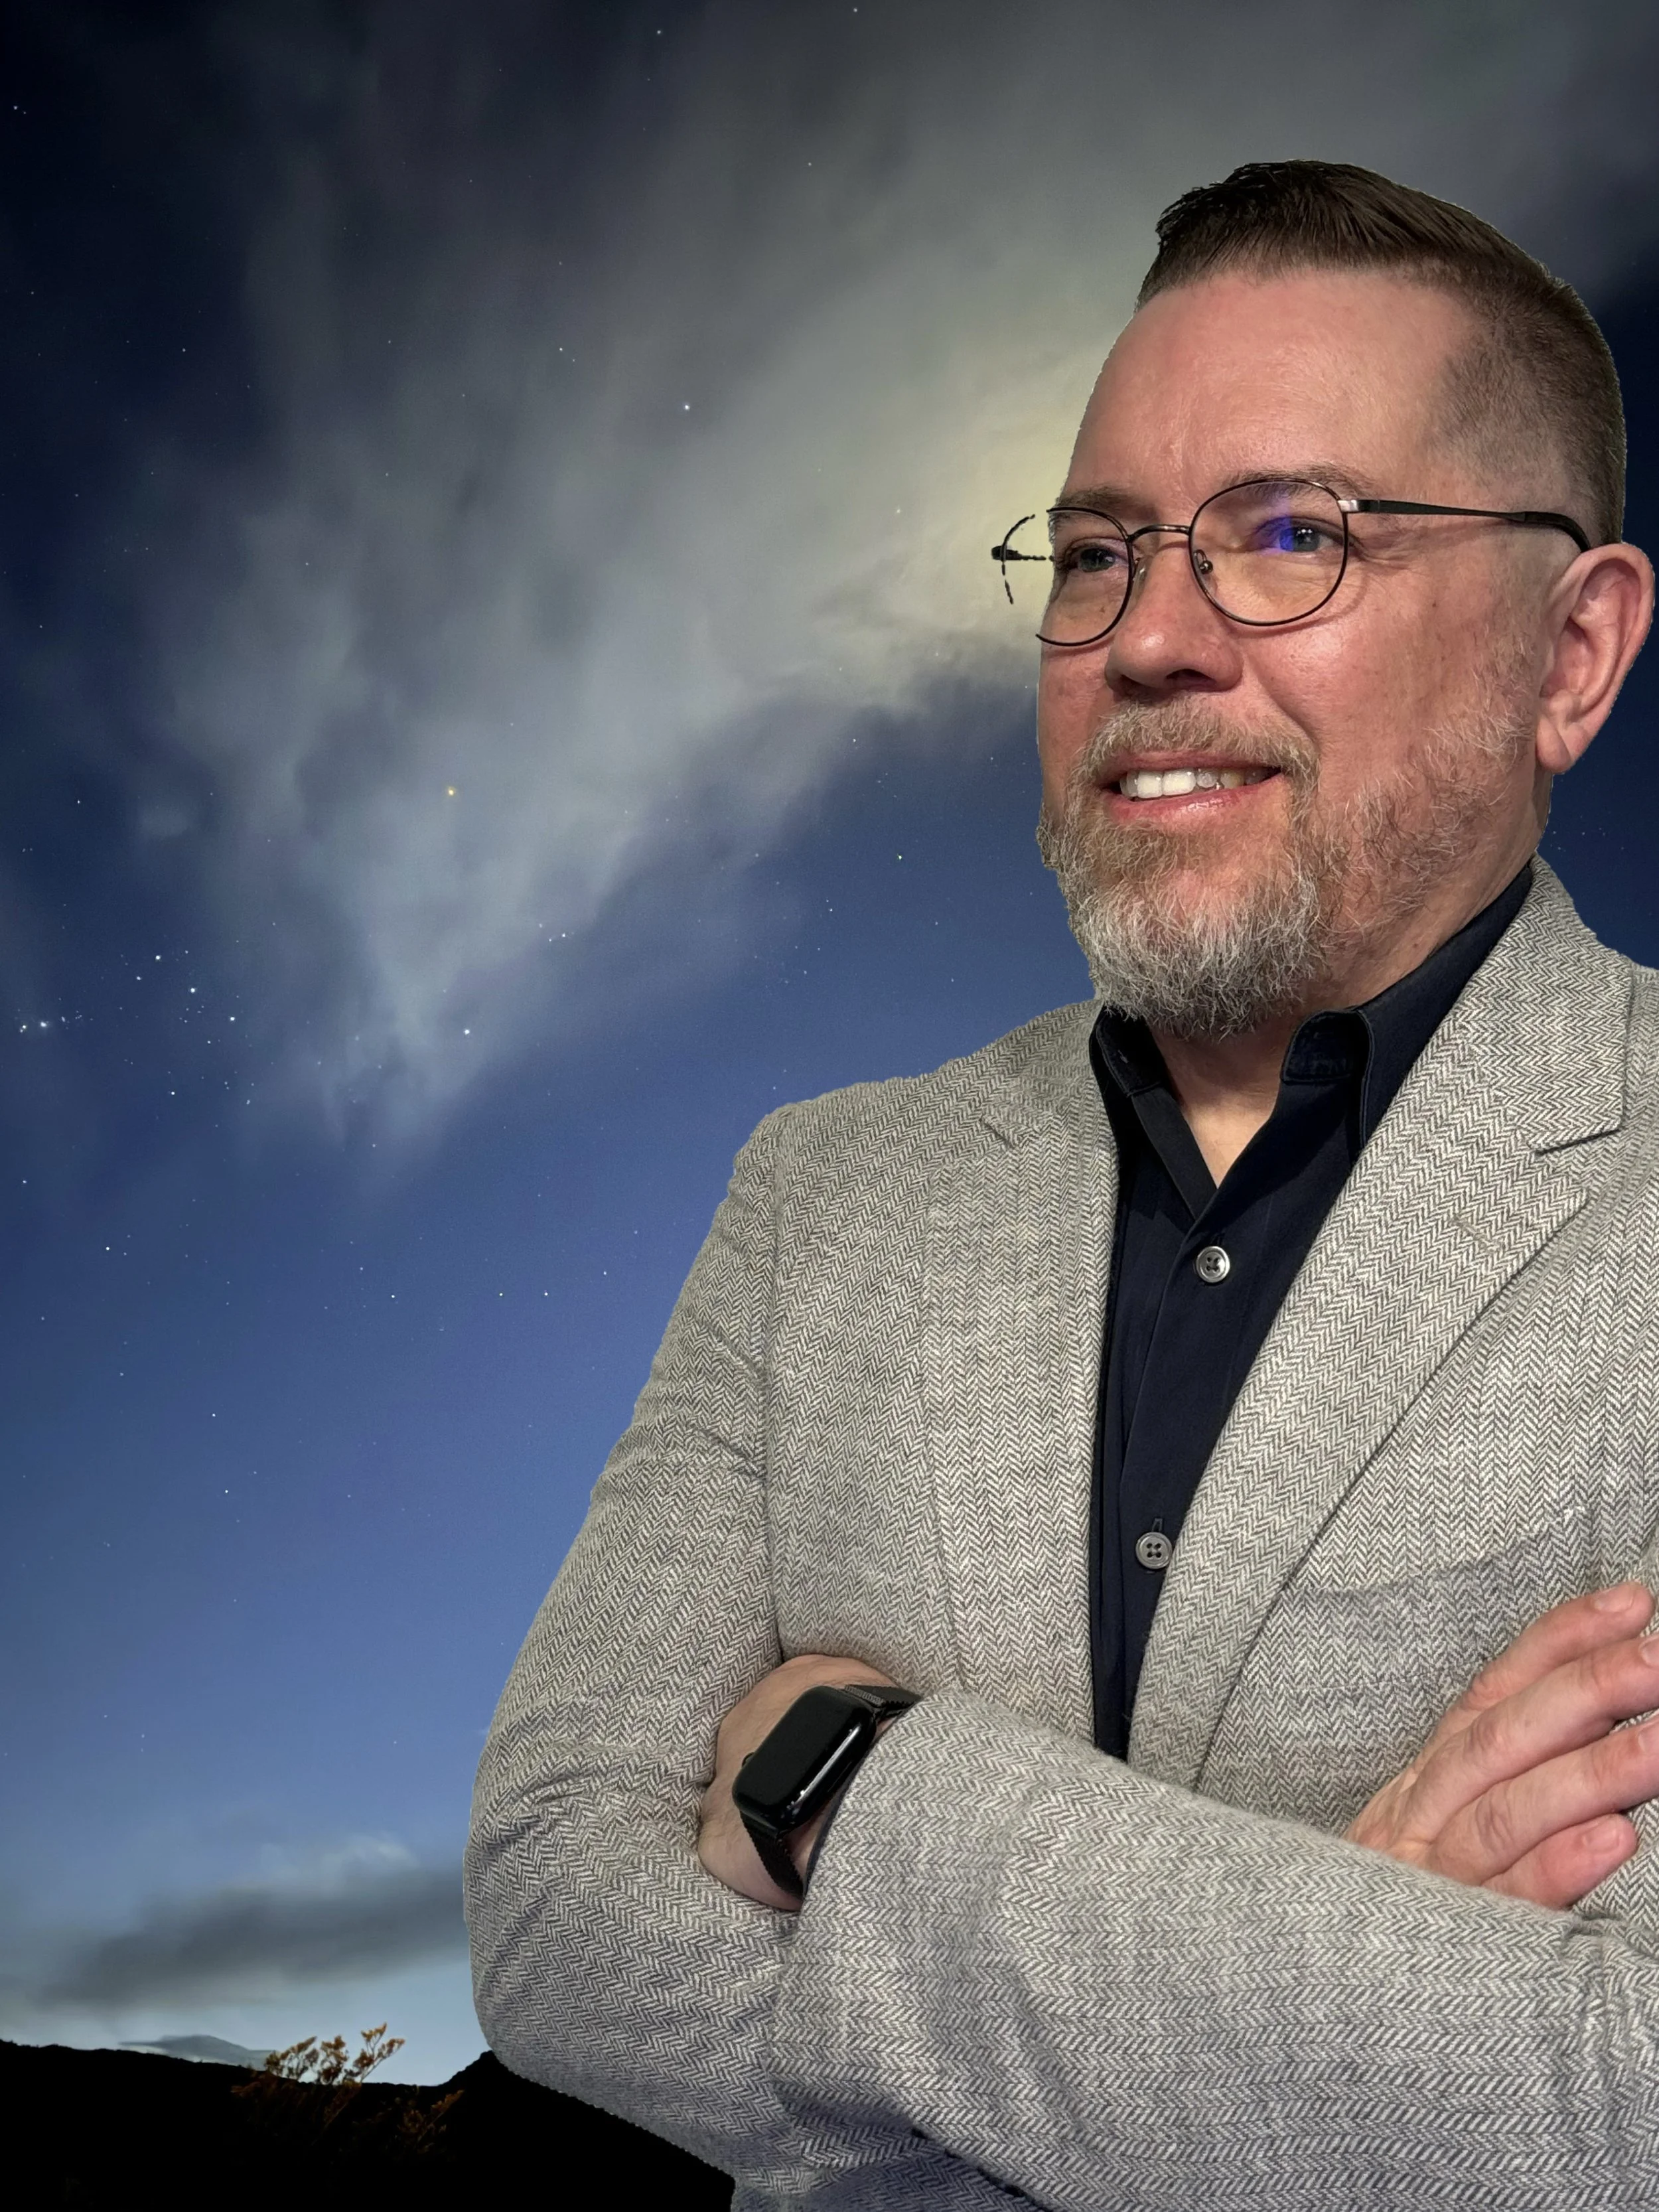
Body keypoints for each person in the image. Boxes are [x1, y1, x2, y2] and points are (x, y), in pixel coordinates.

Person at [464, 161, 1659, 2207]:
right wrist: (1324, 2008)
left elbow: (1618, 2100)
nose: (1151, 639)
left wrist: (848, 1776)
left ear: (1570, 654)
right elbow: (553, 1908)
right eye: (1098, 551)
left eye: (1294, 535)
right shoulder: (816, 1195)